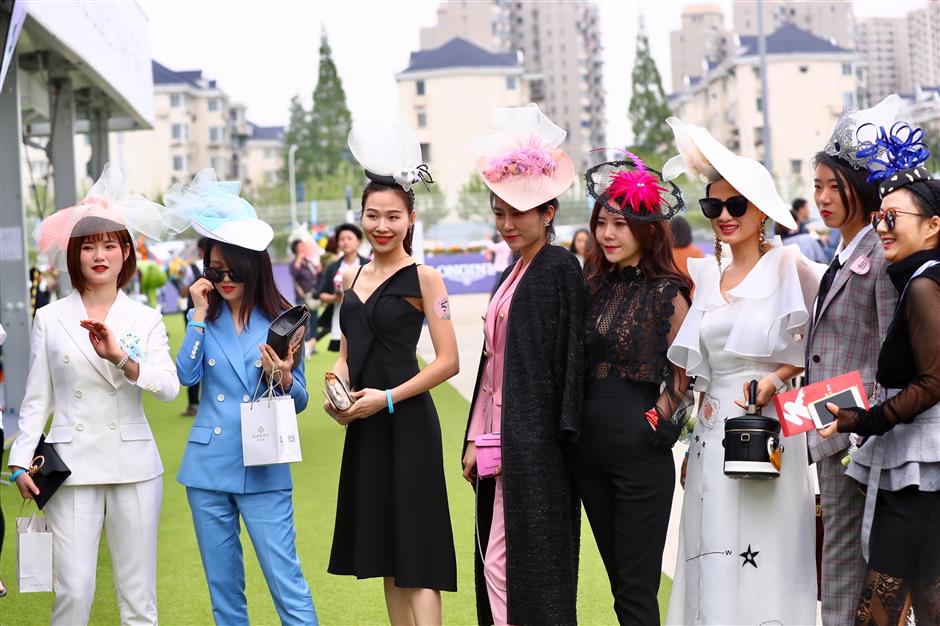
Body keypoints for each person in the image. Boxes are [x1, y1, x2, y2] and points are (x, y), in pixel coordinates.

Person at [662, 117, 822, 625]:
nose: (724, 215)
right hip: (710, 436)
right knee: (709, 545)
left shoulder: (788, 267)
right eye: (713, 206)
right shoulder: (706, 276)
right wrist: (689, 445)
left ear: (761, 211)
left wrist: (775, 381)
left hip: (765, 429)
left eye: (736, 205)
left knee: (762, 548)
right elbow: (701, 372)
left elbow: (817, 343)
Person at [8, 164, 179, 625]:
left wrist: (120, 357)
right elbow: (36, 399)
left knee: (138, 599)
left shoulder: (144, 319)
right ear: (75, 256)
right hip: (71, 466)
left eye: (110, 245)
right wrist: (21, 459)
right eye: (89, 246)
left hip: (136, 468)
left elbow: (167, 386)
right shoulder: (50, 317)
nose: (100, 255)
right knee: (74, 591)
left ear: (127, 254)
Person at [167, 169, 318, 626]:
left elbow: (304, 397)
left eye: (233, 269)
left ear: (255, 265)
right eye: (215, 270)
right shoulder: (204, 321)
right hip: (207, 468)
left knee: (285, 582)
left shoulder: (283, 320)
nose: (225, 278)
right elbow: (185, 376)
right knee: (224, 592)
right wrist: (196, 315)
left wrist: (286, 378)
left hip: (265, 462)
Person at [326, 121, 459, 625]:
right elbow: (346, 352)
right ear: (360, 216)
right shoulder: (352, 276)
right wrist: (336, 391)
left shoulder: (426, 278)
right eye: (372, 216)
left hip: (407, 424)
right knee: (384, 550)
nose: (381, 226)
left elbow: (449, 361)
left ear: (410, 218)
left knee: (417, 553)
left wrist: (385, 398)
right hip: (364, 426)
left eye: (392, 217)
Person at [462, 104, 585, 625]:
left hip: (536, 446)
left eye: (519, 211)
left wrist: (553, 441)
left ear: (548, 212)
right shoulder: (514, 270)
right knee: (496, 560)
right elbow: (492, 366)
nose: (507, 223)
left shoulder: (558, 267)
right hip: (501, 438)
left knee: (514, 565)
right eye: (499, 211)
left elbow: (569, 365)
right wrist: (475, 436)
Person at [820, 122, 940, 625]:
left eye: (892, 217)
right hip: (914, 471)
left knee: (879, 611)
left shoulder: (921, 286)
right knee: (927, 601)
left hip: (918, 474)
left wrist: (862, 421)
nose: (883, 227)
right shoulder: (919, 278)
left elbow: (934, 382)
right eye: (879, 216)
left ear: (932, 226)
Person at [576, 153, 691, 624]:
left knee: (637, 591)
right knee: (619, 586)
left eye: (620, 224)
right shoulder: (592, 286)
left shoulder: (667, 291)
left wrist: (653, 420)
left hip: (640, 458)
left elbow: (685, 376)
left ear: (646, 228)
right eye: (602, 223)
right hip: (586, 455)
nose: (607, 234)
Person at [806, 95, 900, 626]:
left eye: (831, 186)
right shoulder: (840, 252)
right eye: (816, 185)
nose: (820, 197)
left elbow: (890, 351)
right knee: (839, 556)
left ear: (858, 187)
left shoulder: (881, 250)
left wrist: (864, 425)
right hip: (830, 429)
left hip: (861, 433)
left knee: (858, 559)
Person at [317, 223, 369, 353]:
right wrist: (335, 298)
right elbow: (322, 294)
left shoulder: (368, 265)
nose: (345, 242)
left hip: (366, 318)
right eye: (342, 239)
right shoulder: (333, 267)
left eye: (349, 238)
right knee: (345, 357)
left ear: (358, 241)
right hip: (341, 318)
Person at [178, 237, 208, 416]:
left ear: (200, 250)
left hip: (194, 315)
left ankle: (193, 404)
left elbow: (183, 291)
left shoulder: (192, 267)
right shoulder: (222, 266)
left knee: (194, 353)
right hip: (214, 315)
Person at [288, 237, 320, 355]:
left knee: (314, 321)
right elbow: (294, 273)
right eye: (301, 246)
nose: (304, 248)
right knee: (304, 323)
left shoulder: (308, 262)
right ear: (296, 249)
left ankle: (312, 345)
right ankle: (305, 347)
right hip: (302, 297)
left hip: (312, 295)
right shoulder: (294, 263)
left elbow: (315, 275)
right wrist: (299, 259)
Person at [669, 215, 704, 282]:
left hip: (670, 290)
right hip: (692, 291)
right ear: (688, 232)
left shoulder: (665, 253)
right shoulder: (696, 252)